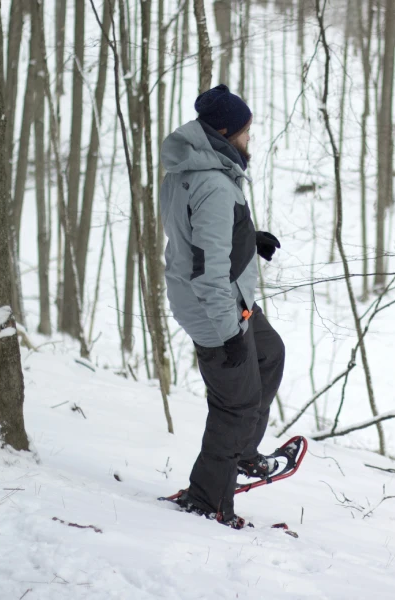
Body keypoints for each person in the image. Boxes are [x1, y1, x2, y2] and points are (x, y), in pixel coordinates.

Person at [159, 84, 285, 528]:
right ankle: (207, 499)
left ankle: (242, 454)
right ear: (226, 132)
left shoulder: (194, 165)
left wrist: (249, 240)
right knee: (236, 403)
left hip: (230, 297)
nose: (251, 138)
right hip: (217, 307)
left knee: (269, 354)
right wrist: (229, 334)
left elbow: (201, 238)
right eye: (246, 131)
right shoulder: (213, 184)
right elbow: (209, 272)